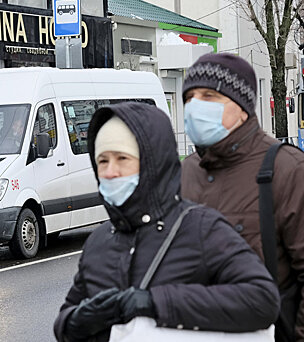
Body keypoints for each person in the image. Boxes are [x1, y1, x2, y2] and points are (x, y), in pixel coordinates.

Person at [54, 102, 280, 342]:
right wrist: (80, 321)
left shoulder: (201, 228)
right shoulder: (98, 242)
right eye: (102, 161)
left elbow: (262, 300)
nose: (110, 172)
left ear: (153, 164)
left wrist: (156, 302)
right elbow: (64, 323)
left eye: (122, 158)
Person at [180, 53, 304, 342]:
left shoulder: (289, 169)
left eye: (209, 96)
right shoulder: (184, 173)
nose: (194, 106)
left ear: (243, 108)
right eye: (189, 98)